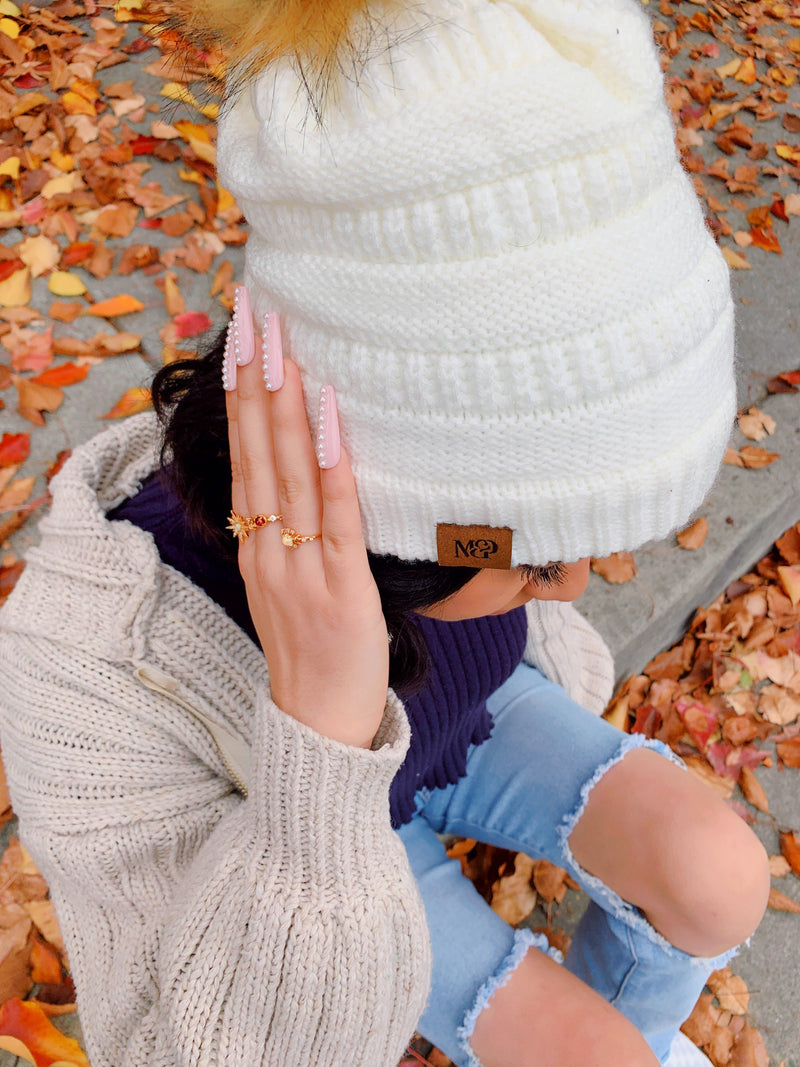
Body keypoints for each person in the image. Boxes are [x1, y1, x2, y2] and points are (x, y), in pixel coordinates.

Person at [0, 0, 770, 1065]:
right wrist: (320, 729)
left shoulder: (445, 531)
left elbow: (501, 576)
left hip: (464, 730)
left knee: (720, 877)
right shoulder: (88, 669)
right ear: (392, 531)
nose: (573, 588)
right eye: (536, 558)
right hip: (303, 844)